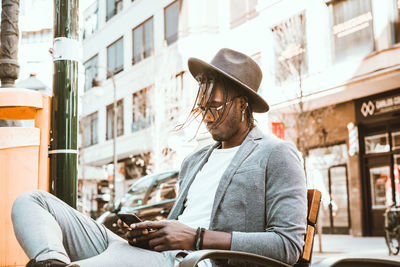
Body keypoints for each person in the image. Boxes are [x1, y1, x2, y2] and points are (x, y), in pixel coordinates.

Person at [11, 48, 307, 267]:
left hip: (193, 260)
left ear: (243, 105)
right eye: (202, 108)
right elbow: (179, 224)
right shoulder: (195, 160)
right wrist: (150, 233)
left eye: (214, 106)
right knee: (32, 202)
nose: (205, 116)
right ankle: (51, 263)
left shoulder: (276, 154)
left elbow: (288, 245)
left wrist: (196, 238)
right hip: (154, 255)